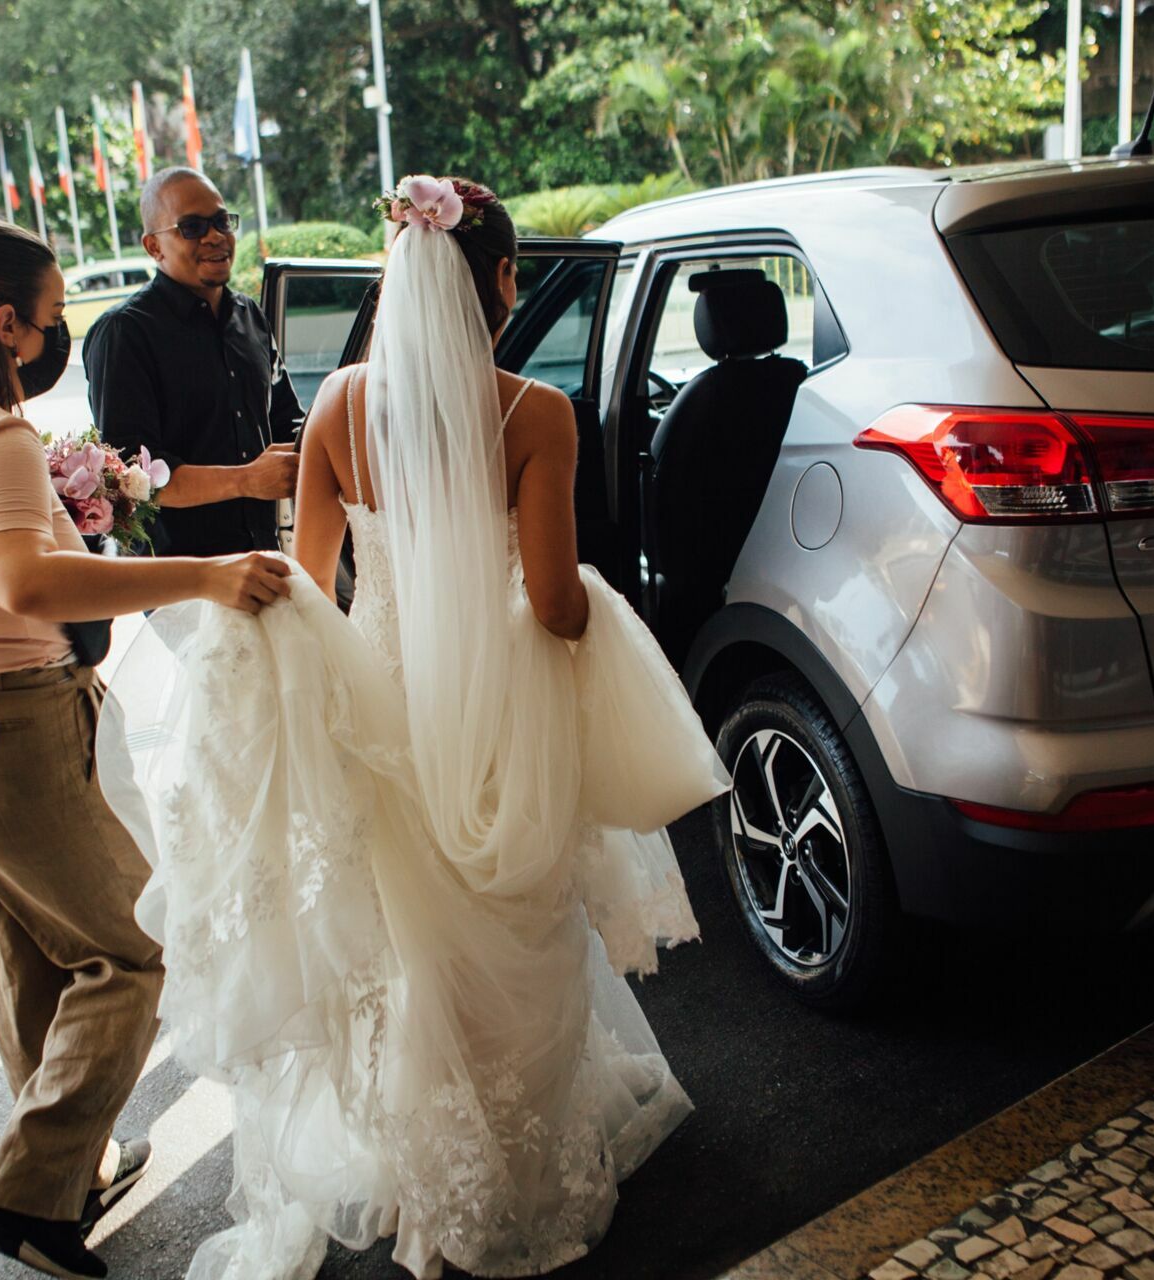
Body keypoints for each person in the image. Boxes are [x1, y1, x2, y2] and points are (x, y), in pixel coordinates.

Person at [97, 176, 729, 1280]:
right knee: (518, 929)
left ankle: (428, 1177)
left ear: (399, 279)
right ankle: (515, 1174)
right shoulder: (535, 414)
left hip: (378, 713)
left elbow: (310, 576)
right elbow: (557, 601)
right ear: (501, 282)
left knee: (405, 949)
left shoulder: (339, 403)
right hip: (496, 719)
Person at [0, 217, 293, 1280]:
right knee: (137, 945)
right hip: (8, 728)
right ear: (5, 324)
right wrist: (205, 572)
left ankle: (72, 1167)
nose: (56, 337)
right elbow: (26, 583)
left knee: (25, 954)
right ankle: (26, 1207)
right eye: (50, 320)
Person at [83, 167, 302, 558]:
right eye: (192, 227)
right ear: (154, 247)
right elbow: (133, 478)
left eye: (221, 221)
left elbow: (287, 421)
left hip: (264, 554)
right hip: (179, 578)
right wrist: (247, 480)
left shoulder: (248, 315)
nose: (215, 236)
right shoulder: (123, 333)